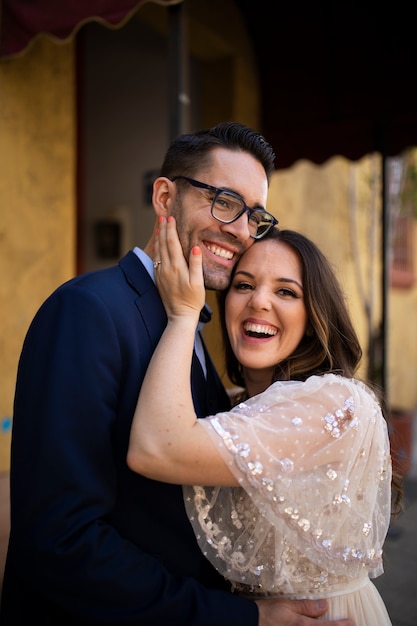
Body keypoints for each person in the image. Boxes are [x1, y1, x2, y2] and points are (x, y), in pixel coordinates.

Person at [0, 121, 347, 626]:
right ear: (165, 198)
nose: (241, 231)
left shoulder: (193, 326)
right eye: (225, 201)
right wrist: (238, 617)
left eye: (255, 216)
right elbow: (61, 539)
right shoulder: (89, 311)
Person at [128, 217, 396, 624]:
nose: (258, 302)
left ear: (313, 317)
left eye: (286, 291)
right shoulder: (235, 406)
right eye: (244, 285)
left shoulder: (337, 402)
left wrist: (183, 316)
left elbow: (157, 448)